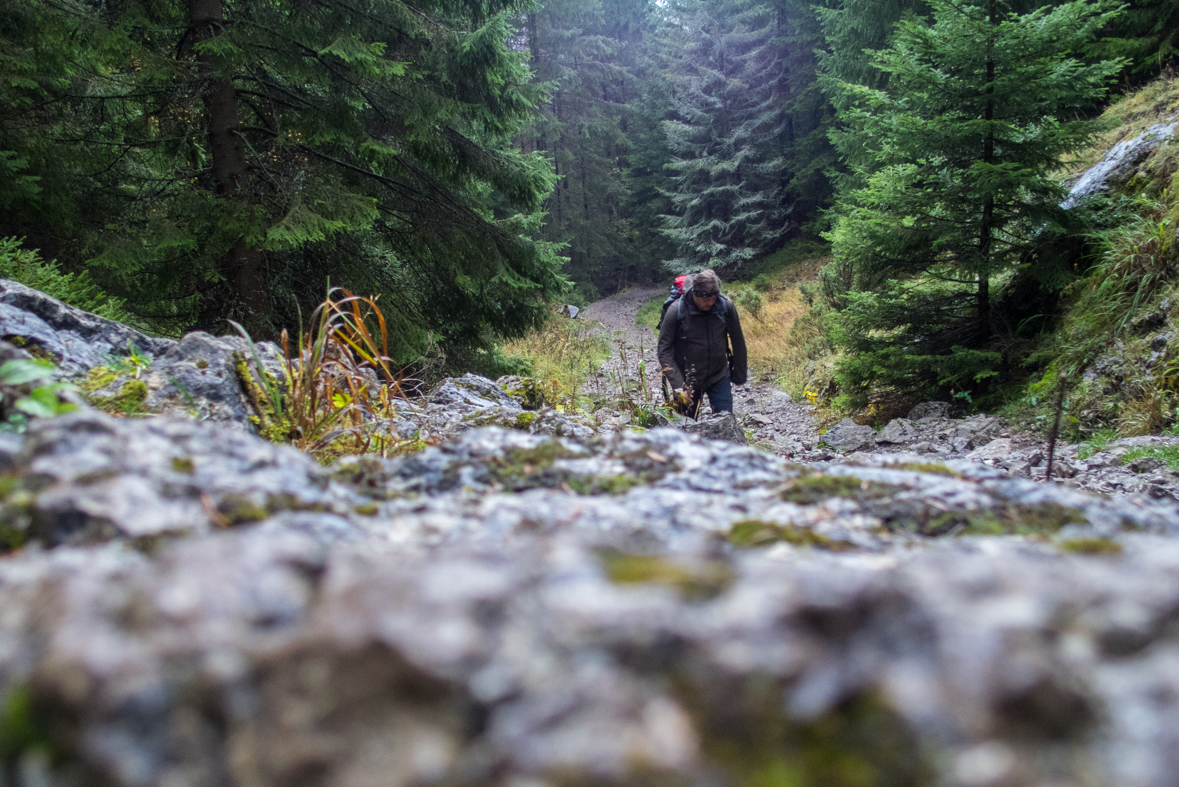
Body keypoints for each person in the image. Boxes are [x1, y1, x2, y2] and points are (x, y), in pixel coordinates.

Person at [656, 269, 747, 418]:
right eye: (705, 299)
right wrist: (679, 387)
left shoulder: (725, 306)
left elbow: (738, 340)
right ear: (694, 294)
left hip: (718, 375)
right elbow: (664, 350)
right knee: (685, 429)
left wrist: (739, 375)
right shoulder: (676, 311)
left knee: (726, 422)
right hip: (687, 380)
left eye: (713, 298)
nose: (710, 303)